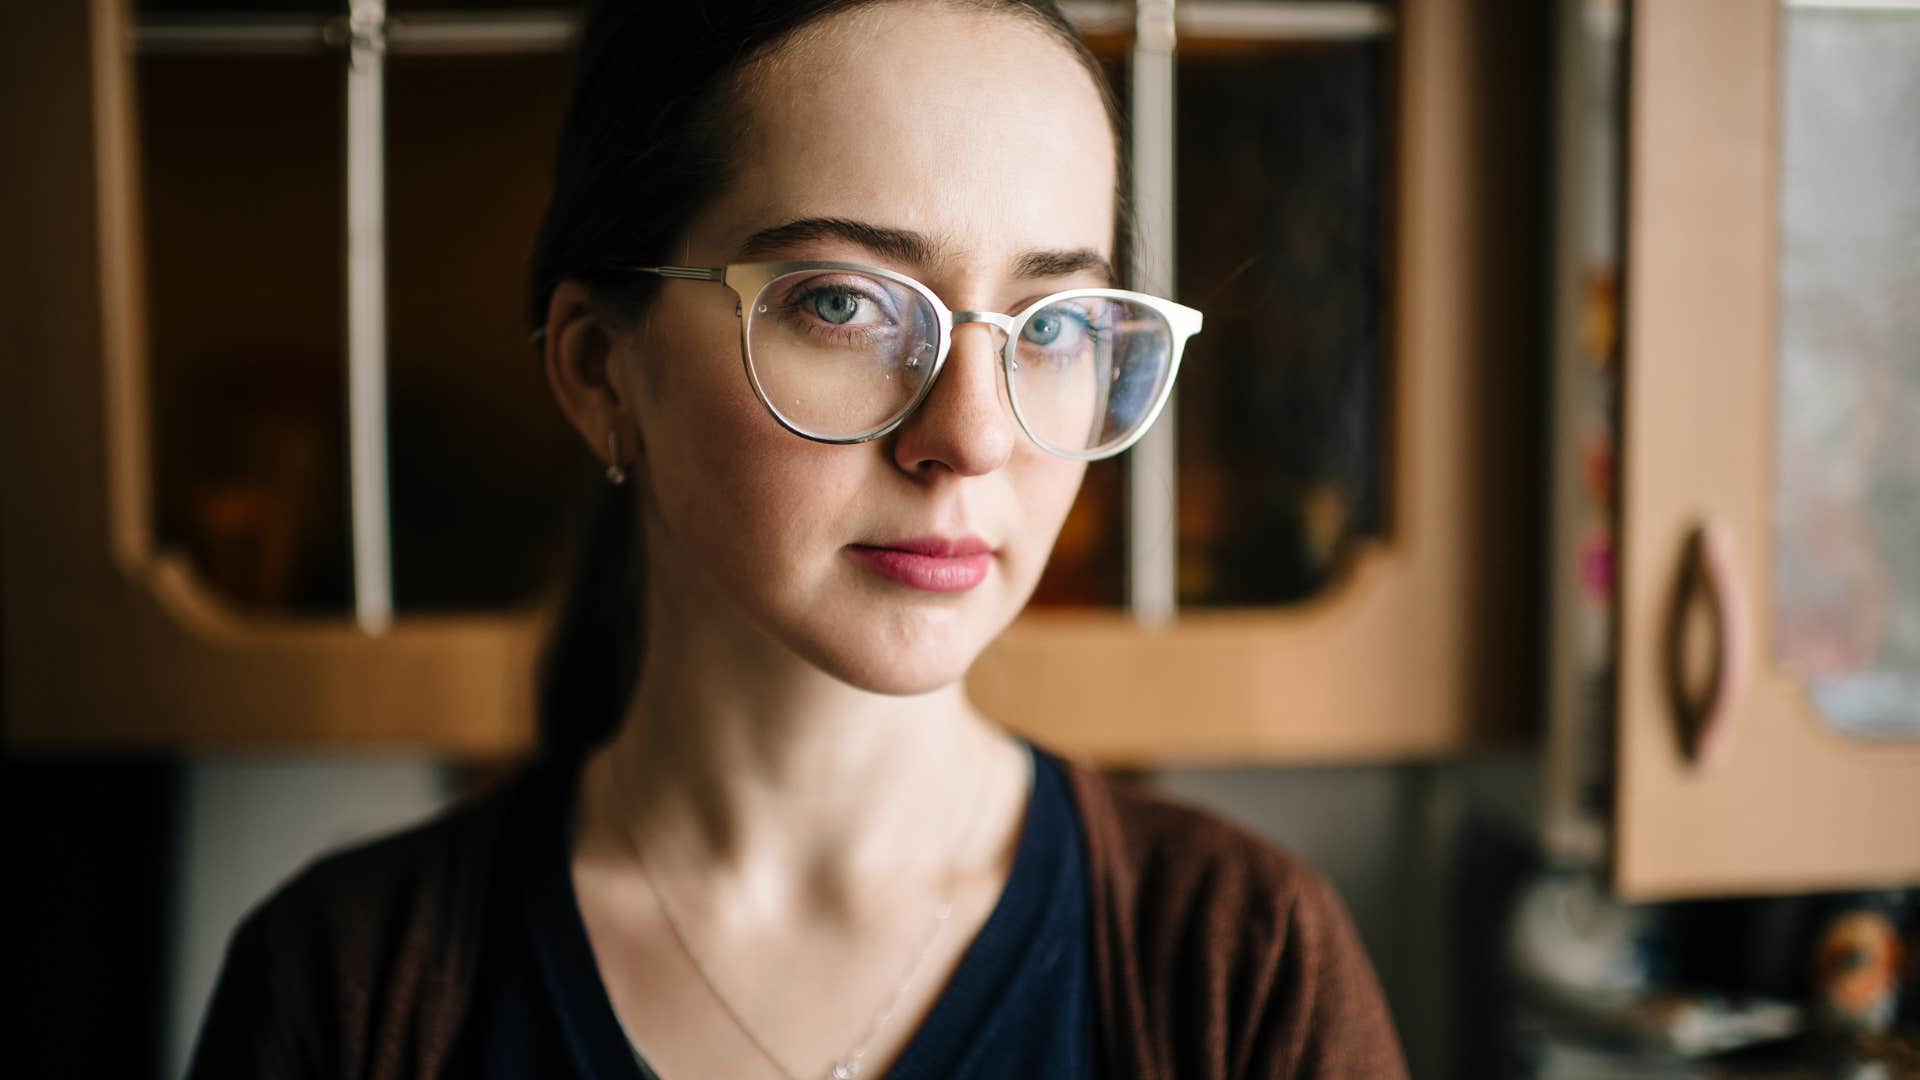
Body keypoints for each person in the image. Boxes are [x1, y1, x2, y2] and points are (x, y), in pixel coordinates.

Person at [186, 1, 1406, 1076]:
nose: (972, 437)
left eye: (1051, 324)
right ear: (601, 369)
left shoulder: (1244, 971)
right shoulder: (349, 987)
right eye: (843, 303)